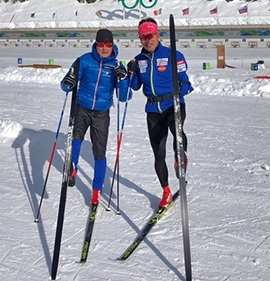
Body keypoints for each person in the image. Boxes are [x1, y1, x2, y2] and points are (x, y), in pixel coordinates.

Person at [127, 18, 193, 208]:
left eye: (151, 36)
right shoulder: (139, 60)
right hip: (153, 109)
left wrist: (184, 87)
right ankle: (165, 191)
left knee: (177, 130)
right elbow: (135, 86)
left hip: (173, 103)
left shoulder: (173, 54)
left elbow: (184, 79)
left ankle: (180, 155)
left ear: (158, 35)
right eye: (144, 37)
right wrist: (130, 73)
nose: (148, 40)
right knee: (157, 153)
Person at [61, 29, 128, 205]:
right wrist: (68, 82)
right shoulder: (83, 60)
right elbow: (66, 85)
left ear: (112, 45)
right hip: (82, 107)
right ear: (96, 44)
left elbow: (123, 97)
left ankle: (96, 192)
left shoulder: (116, 66)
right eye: (101, 44)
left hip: (101, 113)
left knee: (99, 153)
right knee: (76, 138)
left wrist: (123, 79)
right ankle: (73, 169)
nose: (104, 48)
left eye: (108, 44)